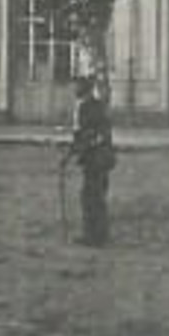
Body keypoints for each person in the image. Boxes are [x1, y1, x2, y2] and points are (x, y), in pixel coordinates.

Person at [65, 76, 116, 246]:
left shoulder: (88, 107)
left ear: (84, 89)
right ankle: (97, 235)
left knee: (91, 197)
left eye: (77, 86)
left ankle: (94, 237)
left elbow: (90, 134)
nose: (74, 89)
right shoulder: (91, 105)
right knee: (93, 196)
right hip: (98, 157)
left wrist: (75, 150)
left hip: (97, 158)